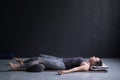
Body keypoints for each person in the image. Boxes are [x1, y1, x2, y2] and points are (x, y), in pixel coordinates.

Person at [9, 54, 102, 75]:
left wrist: (64, 72)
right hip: (60, 59)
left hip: (61, 64)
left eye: (95, 58)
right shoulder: (87, 61)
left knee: (40, 59)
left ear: (95, 63)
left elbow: (76, 69)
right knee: (41, 55)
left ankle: (18, 67)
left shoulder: (86, 66)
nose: (94, 56)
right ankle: (24, 62)